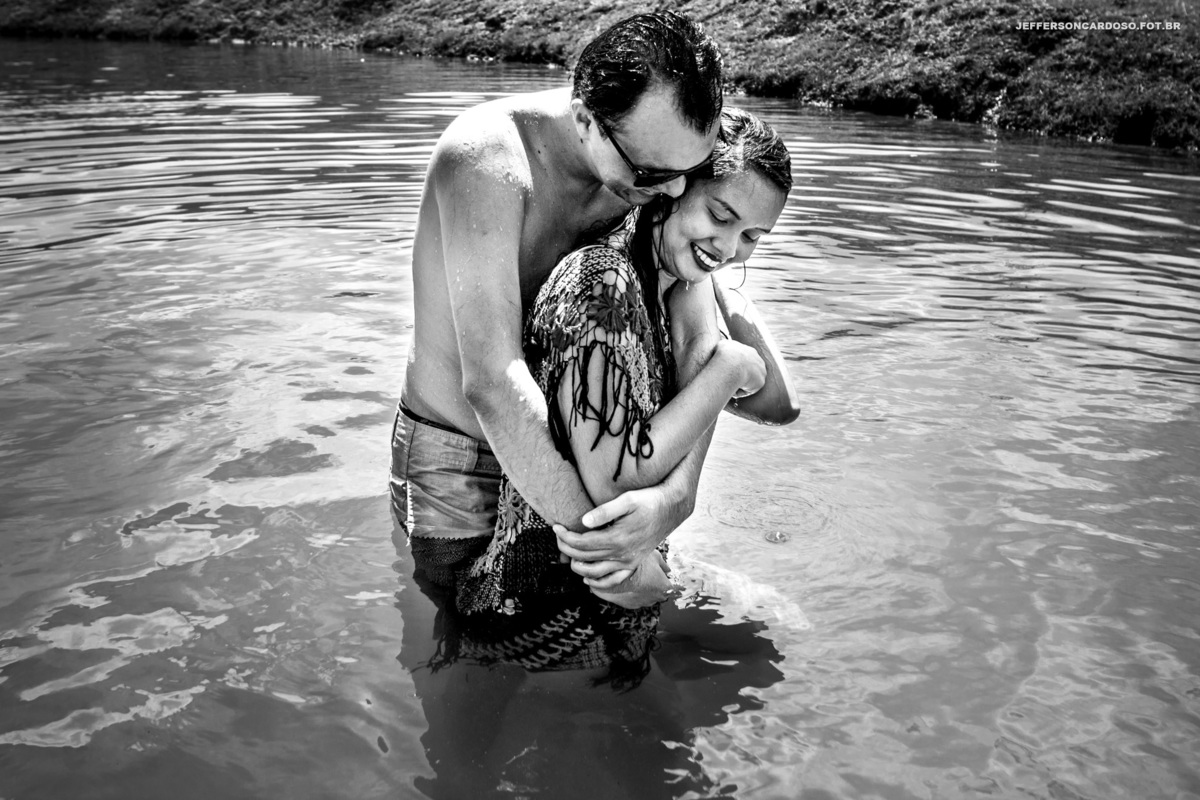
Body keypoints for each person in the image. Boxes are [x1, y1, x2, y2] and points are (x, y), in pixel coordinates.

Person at [426, 107, 798, 685]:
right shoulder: (605, 286)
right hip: (545, 617)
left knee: (774, 637)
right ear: (673, 190)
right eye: (720, 216)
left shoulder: (675, 279)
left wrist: (711, 348)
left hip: (603, 588)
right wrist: (726, 370)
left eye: (753, 236)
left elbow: (781, 404)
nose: (728, 248)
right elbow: (619, 483)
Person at [391, 11, 727, 593]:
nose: (674, 192)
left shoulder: (660, 157)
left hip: (592, 456)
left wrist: (676, 501)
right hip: (462, 464)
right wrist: (611, 554)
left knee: (607, 646)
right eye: (654, 174)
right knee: (474, 660)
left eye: (690, 172)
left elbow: (699, 348)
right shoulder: (486, 158)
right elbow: (492, 383)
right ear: (584, 119)